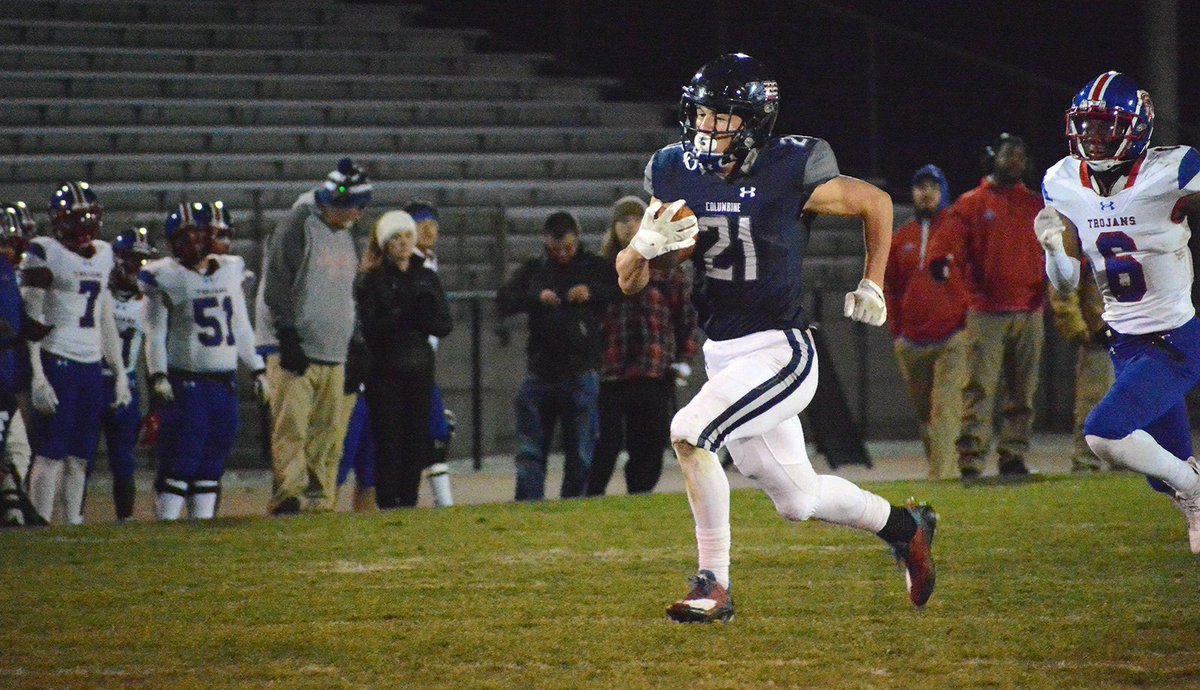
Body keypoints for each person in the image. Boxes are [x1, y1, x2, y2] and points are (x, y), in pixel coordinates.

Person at [617, 53, 937, 623]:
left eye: (724, 118)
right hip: (724, 352)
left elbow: (877, 203)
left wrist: (873, 280)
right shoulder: (672, 170)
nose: (709, 129)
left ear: (755, 122)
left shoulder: (790, 166)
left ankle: (714, 583)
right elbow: (632, 279)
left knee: (690, 433)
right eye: (704, 115)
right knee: (799, 499)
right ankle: (906, 527)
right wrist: (644, 247)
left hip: (782, 349)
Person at [1038, 71, 1200, 553]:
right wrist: (1052, 248)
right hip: (1123, 341)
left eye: (1107, 125)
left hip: (1174, 340)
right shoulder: (1061, 181)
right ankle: (1190, 486)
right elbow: (1067, 281)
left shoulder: (1172, 170)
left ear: (1137, 127)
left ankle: (1195, 493)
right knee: (1163, 469)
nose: (1093, 136)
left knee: (1105, 434)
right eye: (1086, 126)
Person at [140, 202, 268, 520]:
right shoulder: (164, 276)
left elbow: (240, 326)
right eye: (184, 237)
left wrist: (258, 369)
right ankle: (166, 526)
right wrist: (158, 376)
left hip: (224, 383)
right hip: (187, 381)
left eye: (197, 235)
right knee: (182, 459)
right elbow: (154, 333)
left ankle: (202, 527)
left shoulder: (231, 268)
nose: (192, 243)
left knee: (213, 461)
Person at [260, 159, 369, 515]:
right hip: (300, 348)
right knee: (291, 429)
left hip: (334, 350)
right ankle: (288, 497)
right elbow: (278, 282)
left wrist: (354, 342)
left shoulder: (346, 233)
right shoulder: (298, 225)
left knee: (328, 434)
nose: (355, 214)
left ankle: (319, 500)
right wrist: (287, 334)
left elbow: (346, 292)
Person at [22, 182, 131, 525]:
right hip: (57, 359)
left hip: (90, 364)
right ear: (58, 220)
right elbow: (31, 320)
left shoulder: (104, 253)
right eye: (77, 218)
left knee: (80, 457)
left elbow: (105, 316)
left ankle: (74, 525)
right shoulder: (44, 250)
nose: (84, 226)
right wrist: (37, 375)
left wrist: (121, 372)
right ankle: (40, 523)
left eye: (89, 218)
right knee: (50, 453)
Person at [943, 133, 1045, 480]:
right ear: (994, 158)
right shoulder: (971, 204)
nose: (1015, 161)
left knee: (1023, 393)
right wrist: (966, 300)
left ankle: (1013, 456)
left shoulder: (1035, 204)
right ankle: (970, 460)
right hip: (985, 313)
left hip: (1029, 311)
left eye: (1020, 156)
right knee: (979, 389)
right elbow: (952, 259)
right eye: (1008, 155)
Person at [498, 211, 619, 501]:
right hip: (541, 370)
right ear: (546, 243)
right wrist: (535, 297)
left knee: (580, 453)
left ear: (577, 241)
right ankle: (529, 504)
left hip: (581, 370)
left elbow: (621, 291)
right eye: (556, 249)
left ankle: (573, 504)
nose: (563, 254)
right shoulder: (534, 269)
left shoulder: (593, 266)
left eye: (568, 248)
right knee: (530, 451)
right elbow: (504, 299)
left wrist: (591, 292)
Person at [587, 195, 698, 496]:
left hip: (653, 366)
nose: (629, 225)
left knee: (649, 440)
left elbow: (685, 316)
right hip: (612, 367)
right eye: (622, 220)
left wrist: (684, 358)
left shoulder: (667, 266)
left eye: (635, 218)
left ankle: (639, 493)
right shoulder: (602, 265)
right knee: (605, 439)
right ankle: (592, 493)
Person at [355, 210, 452, 508]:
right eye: (396, 237)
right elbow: (370, 327)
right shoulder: (371, 279)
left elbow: (444, 324)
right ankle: (388, 503)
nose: (404, 242)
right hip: (384, 371)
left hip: (420, 368)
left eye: (408, 236)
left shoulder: (426, 276)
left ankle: (408, 502)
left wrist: (416, 315)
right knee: (388, 441)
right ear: (384, 243)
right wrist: (404, 315)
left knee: (415, 440)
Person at [884, 165, 970, 480]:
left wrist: (966, 316)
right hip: (913, 341)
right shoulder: (901, 237)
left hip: (952, 336)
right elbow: (891, 288)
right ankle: (943, 465)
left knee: (945, 409)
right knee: (925, 416)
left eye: (933, 186)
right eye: (921, 187)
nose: (926, 192)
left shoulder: (956, 229)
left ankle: (942, 476)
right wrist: (898, 334)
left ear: (943, 190)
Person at [95, 226, 156, 521]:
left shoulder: (149, 302)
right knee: (78, 457)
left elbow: (151, 355)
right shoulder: (97, 292)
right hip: (91, 380)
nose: (138, 268)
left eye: (144, 261)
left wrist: (155, 404)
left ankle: (126, 520)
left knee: (124, 461)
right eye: (133, 259)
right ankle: (72, 518)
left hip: (126, 385)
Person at [404, 200, 456, 507]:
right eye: (419, 223)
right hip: (401, 367)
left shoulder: (429, 263)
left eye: (432, 223)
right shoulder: (405, 267)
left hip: (421, 366)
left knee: (435, 436)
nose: (427, 229)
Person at [1046, 259, 1114, 473]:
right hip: (1100, 330)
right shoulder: (1082, 229)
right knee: (1094, 401)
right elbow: (1064, 279)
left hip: (1134, 330)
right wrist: (1076, 326)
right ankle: (1086, 461)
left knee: (1134, 403)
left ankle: (1125, 460)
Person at [0, 208, 37, 526]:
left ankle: (12, 513)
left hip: (6, 378)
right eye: (9, 243)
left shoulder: (8, 273)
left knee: (17, 449)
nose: (15, 250)